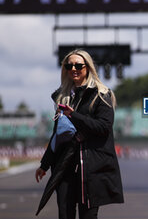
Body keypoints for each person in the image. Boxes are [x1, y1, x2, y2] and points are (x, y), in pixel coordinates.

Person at [35, 49, 124, 219]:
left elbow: (104, 127)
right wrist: (44, 165)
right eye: (69, 65)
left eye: (78, 65)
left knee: (88, 216)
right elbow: (57, 135)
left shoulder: (101, 94)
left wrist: (73, 115)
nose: (73, 69)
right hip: (64, 166)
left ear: (88, 67)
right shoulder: (63, 97)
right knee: (64, 214)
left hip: (91, 168)